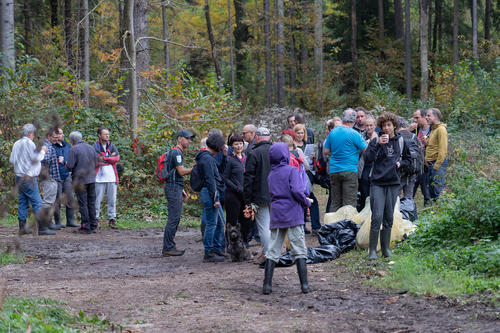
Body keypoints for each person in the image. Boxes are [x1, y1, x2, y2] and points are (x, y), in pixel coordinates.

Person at [262, 142, 312, 295]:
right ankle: (304, 285)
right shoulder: (292, 170)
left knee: (273, 249)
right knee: (299, 248)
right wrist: (305, 202)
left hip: (277, 214)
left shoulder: (271, 174)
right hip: (293, 214)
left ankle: (267, 286)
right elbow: (297, 191)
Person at [364, 112, 411, 259]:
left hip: (393, 182)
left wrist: (400, 164)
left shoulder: (401, 141)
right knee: (377, 215)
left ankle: (385, 250)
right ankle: (372, 251)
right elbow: (367, 159)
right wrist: (377, 144)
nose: (386, 128)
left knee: (389, 217)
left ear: (394, 126)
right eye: (383, 125)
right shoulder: (375, 140)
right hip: (377, 182)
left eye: (389, 125)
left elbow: (409, 160)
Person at [323, 109, 368, 212]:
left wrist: (336, 152)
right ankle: (346, 227)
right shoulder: (355, 134)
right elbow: (366, 149)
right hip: (349, 171)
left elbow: (325, 151)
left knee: (335, 202)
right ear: (354, 120)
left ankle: (332, 226)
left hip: (334, 170)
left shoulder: (333, 132)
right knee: (349, 204)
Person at [10, 124, 50, 235]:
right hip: (29, 178)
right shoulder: (29, 143)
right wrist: (43, 151)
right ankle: (42, 228)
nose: (33, 136)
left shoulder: (16, 144)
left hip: (19, 177)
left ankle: (22, 228)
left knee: (23, 202)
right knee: (37, 202)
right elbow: (36, 158)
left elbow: (12, 160)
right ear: (30, 133)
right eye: (33, 133)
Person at [196, 134, 228, 262]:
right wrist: (215, 198)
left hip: (212, 192)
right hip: (209, 193)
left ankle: (217, 248)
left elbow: (218, 171)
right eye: (221, 146)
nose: (222, 148)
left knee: (221, 222)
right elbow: (210, 179)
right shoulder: (206, 158)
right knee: (212, 224)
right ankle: (208, 252)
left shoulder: (209, 157)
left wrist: (224, 157)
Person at [162, 130, 193, 256]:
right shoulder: (176, 152)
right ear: (179, 139)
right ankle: (168, 248)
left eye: (190, 139)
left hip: (175, 188)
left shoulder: (176, 152)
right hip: (173, 189)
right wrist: (196, 168)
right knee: (173, 218)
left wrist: (182, 189)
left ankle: (170, 246)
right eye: (187, 138)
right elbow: (181, 172)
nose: (189, 141)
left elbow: (174, 174)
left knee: (175, 218)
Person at [244, 127, 272, 265]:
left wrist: (247, 199)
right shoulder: (275, 151)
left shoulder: (254, 153)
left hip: (260, 195)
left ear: (257, 137)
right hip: (277, 194)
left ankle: (267, 254)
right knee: (275, 225)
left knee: (264, 226)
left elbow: (248, 177)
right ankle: (275, 252)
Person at [65, 131, 98, 234]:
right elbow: (96, 163)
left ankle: (85, 226)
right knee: (91, 202)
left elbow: (69, 166)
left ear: (72, 141)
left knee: (83, 203)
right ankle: (93, 224)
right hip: (92, 179)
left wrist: (66, 164)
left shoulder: (73, 149)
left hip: (80, 180)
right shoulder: (91, 148)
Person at [222, 133, 251, 248]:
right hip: (233, 196)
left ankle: (245, 245)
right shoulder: (229, 160)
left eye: (240, 143)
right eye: (236, 144)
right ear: (231, 145)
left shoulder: (247, 159)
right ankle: (230, 246)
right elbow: (225, 177)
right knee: (232, 222)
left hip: (246, 196)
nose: (239, 146)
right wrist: (237, 189)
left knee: (246, 222)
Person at [94, 126, 120, 229]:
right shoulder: (95, 146)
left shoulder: (112, 146)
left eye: (108, 134)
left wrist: (103, 159)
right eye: (105, 134)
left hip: (111, 177)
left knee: (112, 200)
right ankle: (95, 219)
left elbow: (116, 158)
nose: (107, 136)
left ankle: (112, 219)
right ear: (99, 135)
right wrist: (109, 158)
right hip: (98, 178)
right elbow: (95, 160)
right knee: (97, 200)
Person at [53, 127, 78, 228]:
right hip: (56, 176)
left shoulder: (67, 145)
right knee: (57, 200)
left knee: (70, 198)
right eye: (60, 134)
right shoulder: (52, 146)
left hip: (67, 175)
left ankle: (70, 221)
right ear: (55, 135)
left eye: (62, 133)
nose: (63, 135)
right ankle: (58, 221)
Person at [40, 127, 63, 232]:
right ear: (48, 136)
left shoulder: (50, 145)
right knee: (48, 202)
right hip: (49, 178)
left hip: (51, 177)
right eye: (54, 137)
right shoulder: (46, 146)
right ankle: (46, 223)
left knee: (50, 201)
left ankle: (48, 222)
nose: (56, 139)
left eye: (57, 137)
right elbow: (43, 159)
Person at [422, 108, 448, 201]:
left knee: (438, 191)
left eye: (429, 116)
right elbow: (434, 147)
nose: (426, 118)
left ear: (435, 117)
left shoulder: (441, 129)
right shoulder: (433, 130)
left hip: (437, 163)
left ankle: (444, 212)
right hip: (430, 164)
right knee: (432, 192)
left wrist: (437, 166)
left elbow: (443, 150)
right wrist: (426, 144)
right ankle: (435, 212)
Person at [408, 108, 431, 206]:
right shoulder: (414, 131)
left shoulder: (431, 130)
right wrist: (408, 131)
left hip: (425, 165)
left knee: (426, 192)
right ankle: (408, 212)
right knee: (410, 192)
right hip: (414, 164)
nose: (415, 120)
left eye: (417, 118)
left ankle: (429, 214)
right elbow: (404, 141)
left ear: (424, 117)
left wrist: (427, 144)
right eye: (414, 118)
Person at [357, 115, 378, 212]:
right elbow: (357, 153)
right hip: (364, 168)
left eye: (371, 125)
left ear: (375, 125)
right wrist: (364, 146)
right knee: (364, 194)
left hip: (376, 168)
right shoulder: (360, 137)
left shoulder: (379, 137)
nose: (369, 128)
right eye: (367, 125)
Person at [396, 116, 420, 198]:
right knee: (409, 199)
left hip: (399, 173)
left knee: (395, 200)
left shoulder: (396, 137)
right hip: (412, 172)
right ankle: (409, 211)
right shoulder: (414, 136)